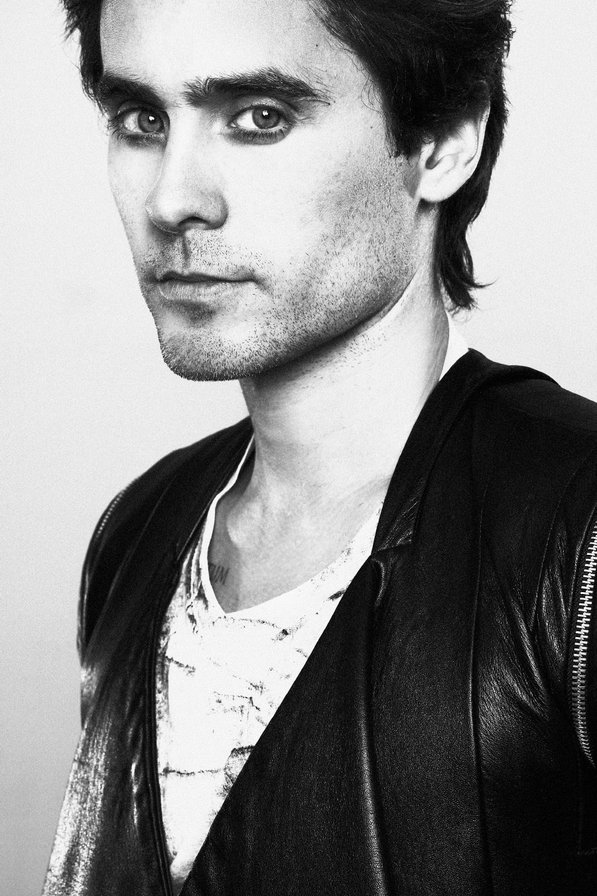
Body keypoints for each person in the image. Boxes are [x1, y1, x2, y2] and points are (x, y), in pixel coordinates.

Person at [43, 0, 597, 893]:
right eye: (141, 119)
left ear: (443, 142)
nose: (172, 200)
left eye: (259, 118)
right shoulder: (137, 532)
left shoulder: (577, 527)